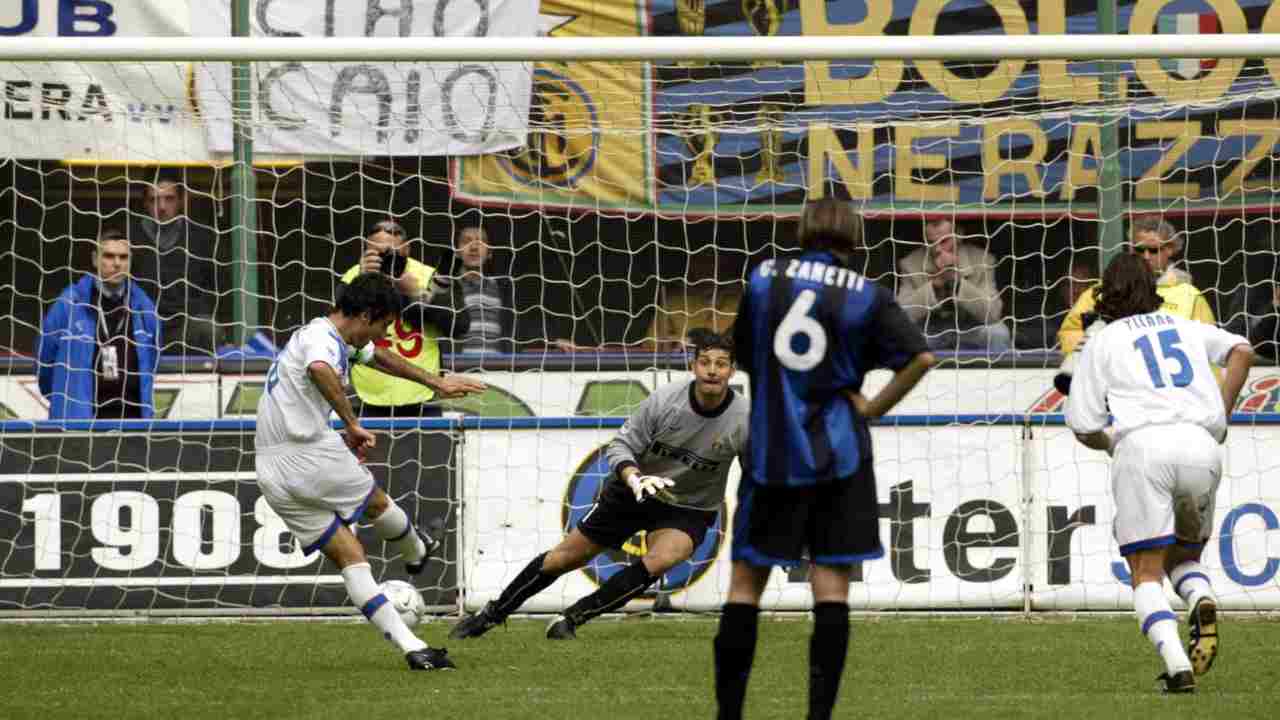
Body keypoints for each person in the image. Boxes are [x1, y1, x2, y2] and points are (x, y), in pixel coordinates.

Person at [715, 199, 935, 720]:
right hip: (840, 457)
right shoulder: (866, 295)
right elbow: (921, 356)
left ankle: (728, 715)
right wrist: (873, 407)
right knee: (831, 590)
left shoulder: (765, 279)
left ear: (804, 229)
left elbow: (743, 353)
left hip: (772, 455)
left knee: (745, 585)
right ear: (854, 236)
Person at [254, 272, 486, 670]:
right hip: (308, 453)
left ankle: (414, 649)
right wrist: (351, 422)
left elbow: (378, 357)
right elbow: (320, 370)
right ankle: (417, 549)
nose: (381, 335)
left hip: (271, 470)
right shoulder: (320, 342)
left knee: (351, 556)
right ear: (364, 315)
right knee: (378, 504)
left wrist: (437, 382)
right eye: (381, 326)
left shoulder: (326, 336)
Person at [449, 334, 747, 641]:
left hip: (689, 506)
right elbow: (620, 446)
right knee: (563, 558)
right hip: (635, 490)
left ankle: (571, 620)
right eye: (705, 362)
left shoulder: (744, 417)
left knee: (665, 557)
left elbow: (755, 470)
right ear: (693, 366)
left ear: (732, 371)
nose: (712, 370)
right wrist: (635, 478)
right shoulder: (665, 401)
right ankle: (491, 615)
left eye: (721, 364)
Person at [1065, 253, 1253, 694]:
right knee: (1185, 558)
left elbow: (1083, 424)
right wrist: (1220, 414)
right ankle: (1201, 597)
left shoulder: (1103, 341)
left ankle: (1176, 666)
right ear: (1154, 292)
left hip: (1145, 447)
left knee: (1145, 570)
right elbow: (1242, 350)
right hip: (1202, 446)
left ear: (1105, 295)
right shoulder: (1184, 327)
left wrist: (1113, 444)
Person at [340, 219, 469, 418]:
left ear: (407, 249)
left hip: (422, 394)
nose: (386, 259)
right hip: (367, 395)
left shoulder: (428, 276)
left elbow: (460, 327)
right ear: (366, 249)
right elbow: (339, 327)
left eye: (391, 253)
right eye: (378, 253)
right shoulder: (353, 276)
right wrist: (362, 283)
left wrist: (414, 295)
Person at [38, 229, 160, 420]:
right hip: (80, 424)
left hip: (133, 421)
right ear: (95, 259)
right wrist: (68, 405)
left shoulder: (145, 308)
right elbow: (44, 365)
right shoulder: (68, 304)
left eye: (123, 257)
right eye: (109, 256)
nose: (117, 263)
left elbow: (153, 363)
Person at [1059, 217, 1215, 354]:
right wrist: (1102, 352)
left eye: (1154, 250)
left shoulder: (1188, 295)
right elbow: (1070, 332)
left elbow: (1209, 348)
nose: (1146, 256)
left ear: (1170, 249)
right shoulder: (1102, 291)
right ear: (1130, 249)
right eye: (1140, 250)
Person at [128, 170, 220, 355]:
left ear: (181, 200)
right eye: (154, 200)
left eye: (169, 199)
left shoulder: (201, 238)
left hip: (186, 325)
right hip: (143, 325)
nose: (161, 207)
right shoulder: (130, 237)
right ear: (145, 203)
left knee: (207, 328)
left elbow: (214, 288)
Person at [896, 218, 1009, 351]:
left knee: (999, 334)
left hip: (971, 327)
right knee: (903, 337)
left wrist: (958, 282)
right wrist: (935, 285)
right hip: (930, 329)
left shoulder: (983, 259)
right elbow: (902, 316)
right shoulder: (910, 264)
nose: (937, 249)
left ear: (958, 237)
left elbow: (993, 313)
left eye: (944, 241)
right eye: (931, 242)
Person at [646, 252, 744, 350]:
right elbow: (651, 342)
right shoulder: (673, 301)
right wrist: (676, 340)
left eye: (712, 261)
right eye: (700, 261)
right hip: (681, 362)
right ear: (691, 264)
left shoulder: (741, 300)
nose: (706, 266)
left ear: (723, 263)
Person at [449, 226, 515, 355]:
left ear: (489, 253)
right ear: (456, 252)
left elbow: (520, 327)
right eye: (466, 241)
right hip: (457, 369)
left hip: (498, 370)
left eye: (481, 242)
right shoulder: (446, 287)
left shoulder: (502, 287)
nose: (474, 247)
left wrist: (553, 341)